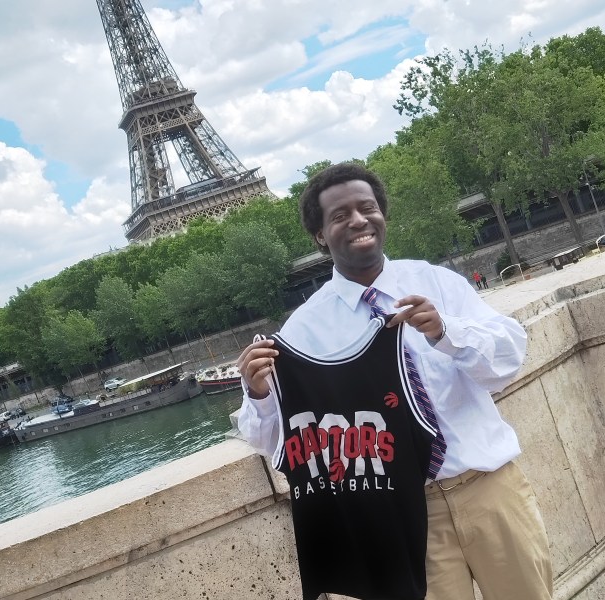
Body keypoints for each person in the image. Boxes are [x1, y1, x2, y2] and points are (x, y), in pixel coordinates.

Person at [236, 163, 551, 600]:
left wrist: (447, 332)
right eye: (340, 215)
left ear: (382, 214)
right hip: (403, 516)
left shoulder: (437, 282)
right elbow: (277, 440)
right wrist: (258, 394)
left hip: (491, 488)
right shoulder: (303, 331)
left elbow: (509, 359)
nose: (358, 220)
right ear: (320, 235)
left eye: (367, 208)